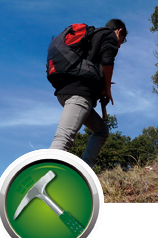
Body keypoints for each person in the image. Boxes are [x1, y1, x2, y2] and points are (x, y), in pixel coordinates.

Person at [49, 19, 128, 168]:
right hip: (79, 93)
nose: (119, 45)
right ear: (119, 31)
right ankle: (42, 182)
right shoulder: (109, 35)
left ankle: (85, 171)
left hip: (65, 91)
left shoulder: (92, 38)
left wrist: (100, 89)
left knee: (102, 131)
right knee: (63, 139)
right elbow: (107, 62)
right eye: (121, 41)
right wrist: (107, 89)